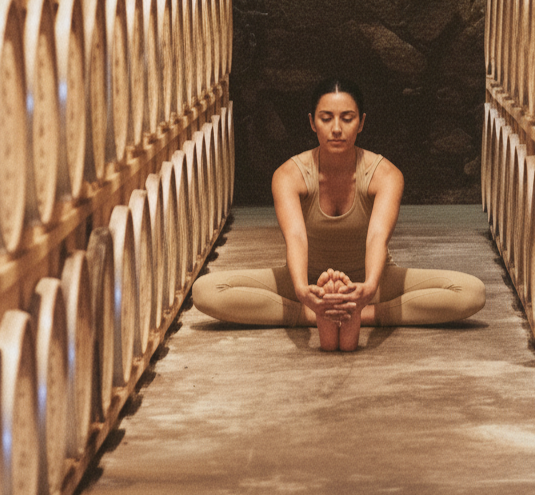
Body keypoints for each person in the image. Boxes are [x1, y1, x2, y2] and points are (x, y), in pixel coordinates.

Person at [191, 78, 486, 351]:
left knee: (470, 292)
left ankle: (359, 314)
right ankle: (315, 314)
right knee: (206, 291)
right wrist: (304, 291)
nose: (336, 128)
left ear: (361, 123)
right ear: (312, 122)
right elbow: (295, 237)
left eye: (347, 118)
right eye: (326, 118)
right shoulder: (289, 175)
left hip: (374, 283)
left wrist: (367, 290)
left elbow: (377, 236)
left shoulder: (385, 174)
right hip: (307, 281)